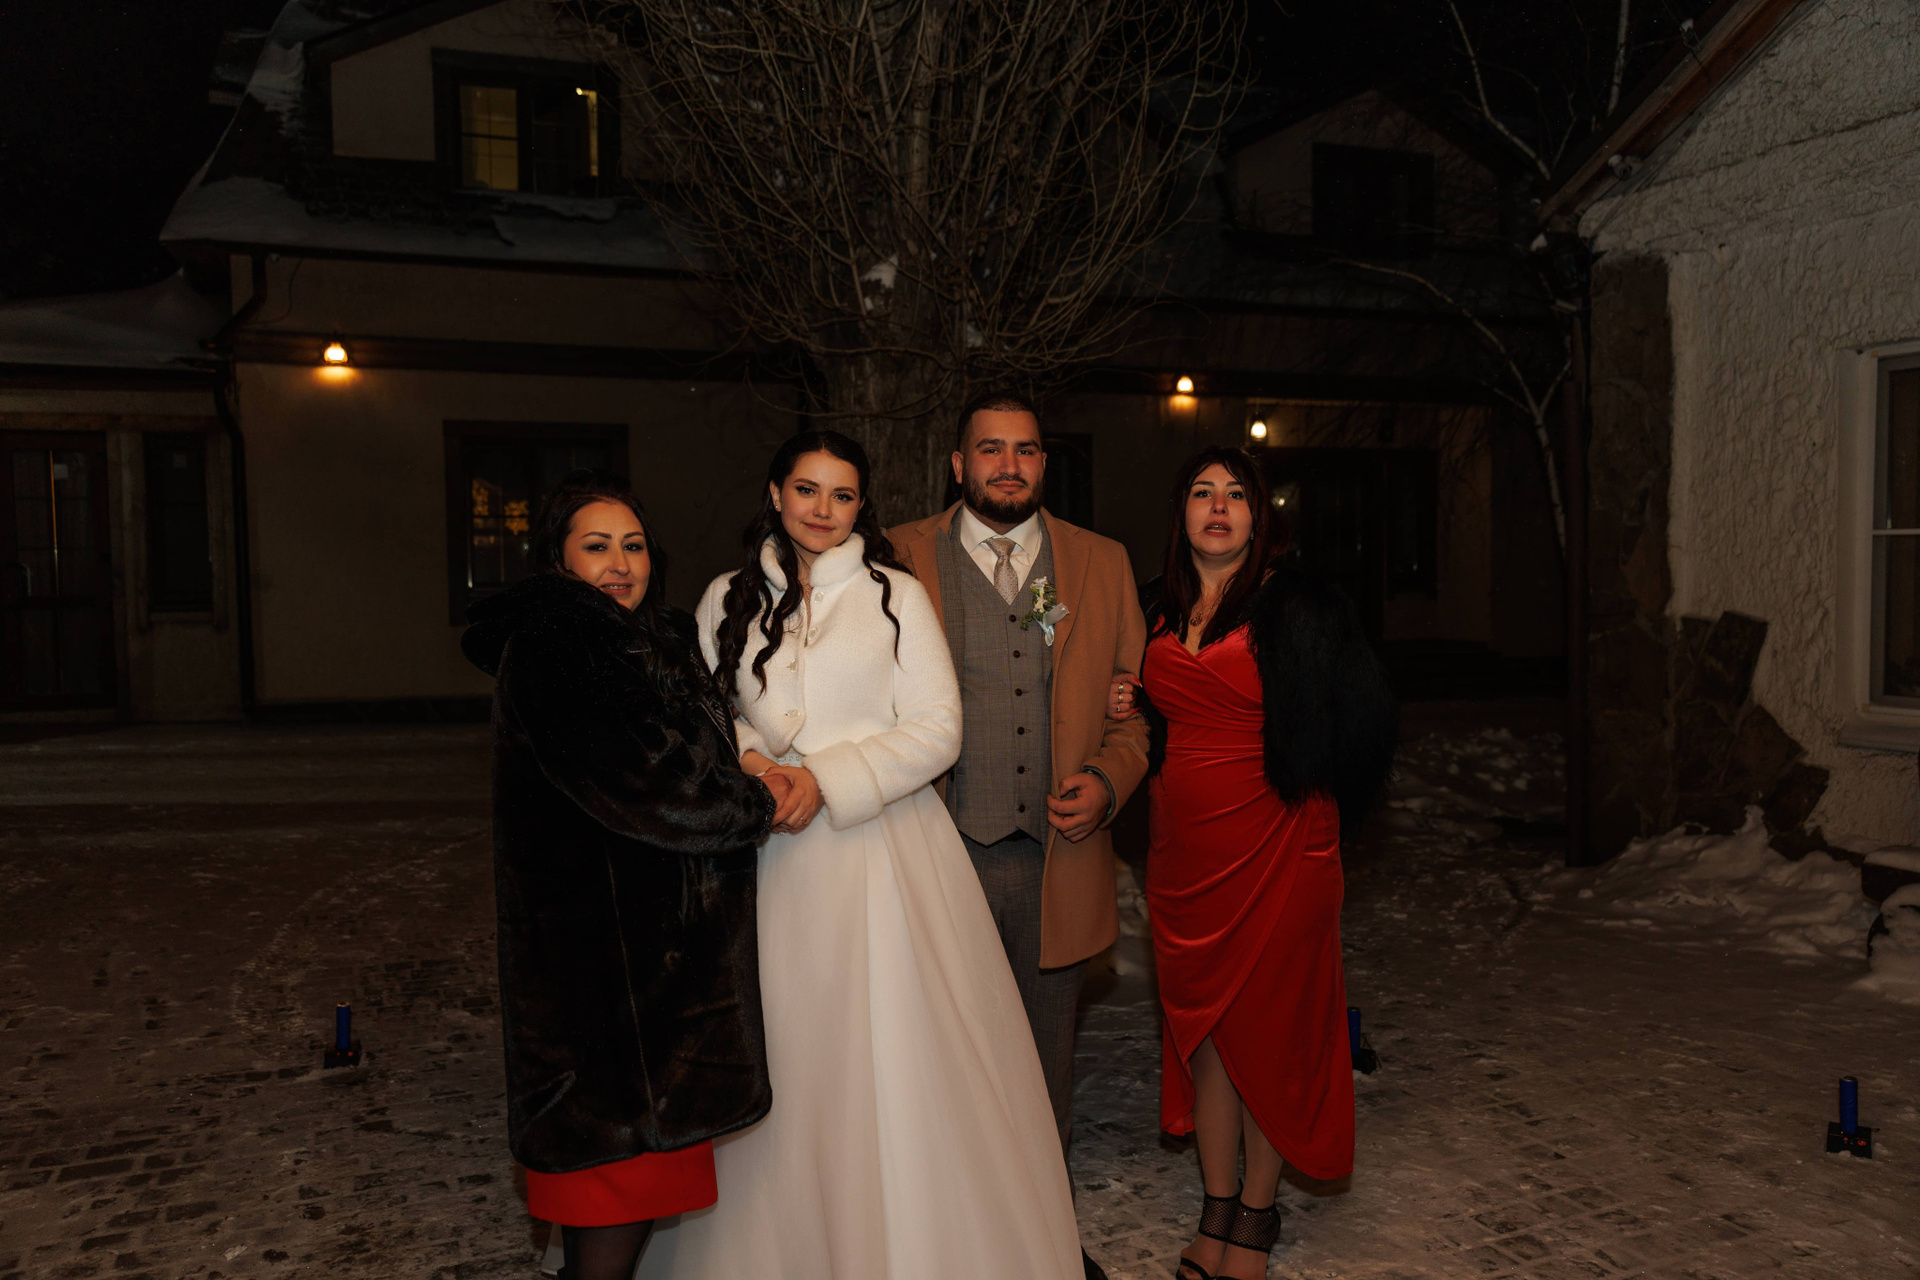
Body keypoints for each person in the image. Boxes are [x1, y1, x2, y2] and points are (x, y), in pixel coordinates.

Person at [640, 430, 1082, 1280]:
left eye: (842, 495)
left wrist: (828, 779)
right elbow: (704, 712)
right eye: (807, 490)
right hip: (763, 857)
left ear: (861, 507)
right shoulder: (725, 595)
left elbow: (939, 730)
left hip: (878, 852)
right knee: (779, 1054)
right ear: (776, 493)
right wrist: (758, 766)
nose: (823, 509)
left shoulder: (896, 595)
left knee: (886, 1061)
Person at [461, 470, 786, 1280]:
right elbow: (651, 784)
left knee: (631, 1199)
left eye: (634, 546)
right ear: (559, 561)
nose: (620, 563)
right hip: (601, 980)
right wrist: (757, 804)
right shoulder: (559, 645)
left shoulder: (643, 640)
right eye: (597, 546)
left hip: (652, 979)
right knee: (608, 1199)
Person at [1115, 447, 1395, 1280]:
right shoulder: (1152, 607)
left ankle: (1257, 1217)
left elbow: (1363, 723)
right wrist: (1128, 700)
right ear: (1181, 513)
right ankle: (1216, 1208)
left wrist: (1316, 807)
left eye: (1236, 494)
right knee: (1205, 1039)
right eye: (1202, 492)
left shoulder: (1300, 606)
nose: (1218, 506)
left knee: (1271, 1038)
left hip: (1282, 850)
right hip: (1184, 857)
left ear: (1259, 515)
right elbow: (1146, 718)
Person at [888, 391, 1151, 1154]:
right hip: (939, 855)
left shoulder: (1100, 562)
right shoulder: (897, 556)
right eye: (991, 448)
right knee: (939, 1068)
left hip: (1056, 860)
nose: (1010, 464)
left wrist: (1107, 782)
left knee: (1043, 1073)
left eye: (1026, 449)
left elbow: (1134, 711)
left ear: (1043, 463)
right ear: (958, 464)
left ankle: (1043, 1219)